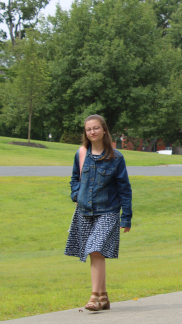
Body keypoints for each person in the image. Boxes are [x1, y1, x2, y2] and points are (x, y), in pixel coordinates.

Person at [65, 115, 133, 311]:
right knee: (95, 254)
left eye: (96, 128)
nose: (92, 132)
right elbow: (74, 179)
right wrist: (77, 195)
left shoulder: (116, 158)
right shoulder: (81, 153)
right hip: (85, 212)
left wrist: (126, 217)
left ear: (104, 130)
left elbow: (125, 189)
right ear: (85, 133)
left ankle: (93, 298)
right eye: (88, 129)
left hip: (108, 212)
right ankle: (103, 297)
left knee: (95, 249)